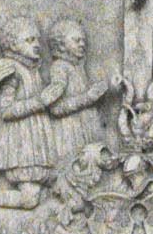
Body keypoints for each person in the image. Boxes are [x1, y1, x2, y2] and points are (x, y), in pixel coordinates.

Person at [0, 16, 60, 211]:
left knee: (40, 196)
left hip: (36, 141)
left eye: (37, 40)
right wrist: (40, 101)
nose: (36, 45)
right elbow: (6, 110)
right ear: (13, 45)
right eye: (29, 40)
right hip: (22, 144)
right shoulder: (12, 70)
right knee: (30, 199)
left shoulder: (33, 69)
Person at [43, 16, 113, 156]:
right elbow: (55, 108)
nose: (82, 44)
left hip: (85, 127)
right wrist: (88, 97)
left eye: (83, 41)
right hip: (71, 132)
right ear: (61, 45)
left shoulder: (77, 67)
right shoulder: (59, 67)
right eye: (76, 40)